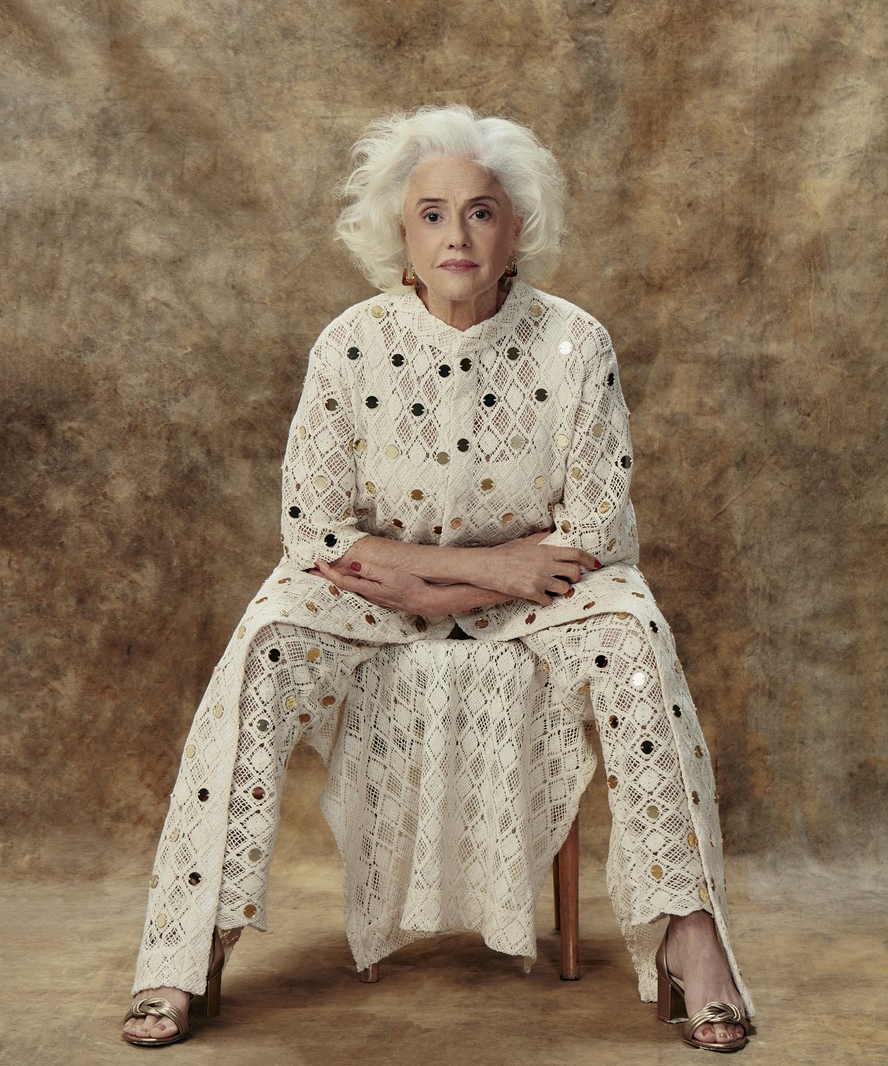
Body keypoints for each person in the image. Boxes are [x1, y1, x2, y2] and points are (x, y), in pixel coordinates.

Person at [123, 105, 753, 1052]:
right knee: (263, 645)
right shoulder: (349, 344)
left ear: (516, 230)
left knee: (634, 637)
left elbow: (593, 531)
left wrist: (450, 583)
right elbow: (313, 530)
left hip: (542, 600)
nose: (457, 235)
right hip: (376, 597)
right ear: (401, 235)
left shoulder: (577, 343)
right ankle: (186, 946)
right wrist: (477, 570)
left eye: (481, 212)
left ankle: (691, 943)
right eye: (432, 214)